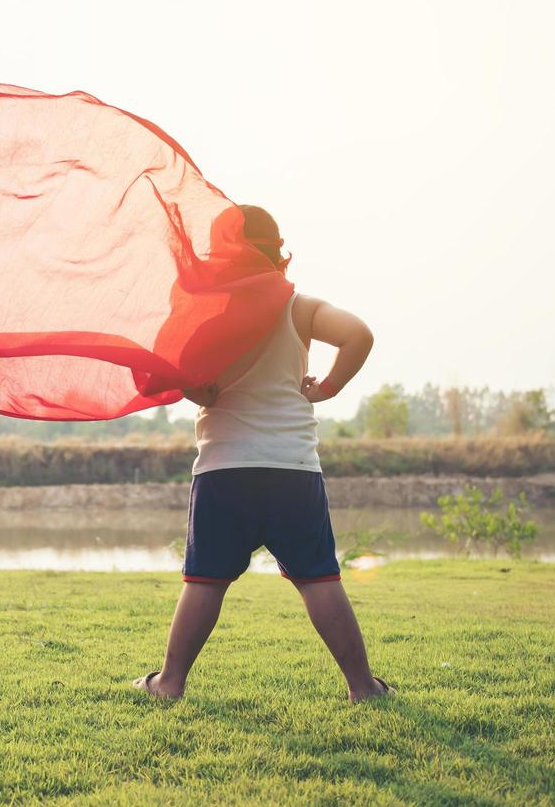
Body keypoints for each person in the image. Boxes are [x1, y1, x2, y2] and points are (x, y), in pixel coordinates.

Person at [133, 204, 392, 703]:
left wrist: (201, 393)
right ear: (277, 252)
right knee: (319, 577)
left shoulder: (207, 315)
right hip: (292, 468)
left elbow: (184, 376)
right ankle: (363, 687)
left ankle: (170, 683)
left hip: (224, 469)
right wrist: (331, 387)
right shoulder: (300, 307)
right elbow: (359, 334)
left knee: (205, 581)